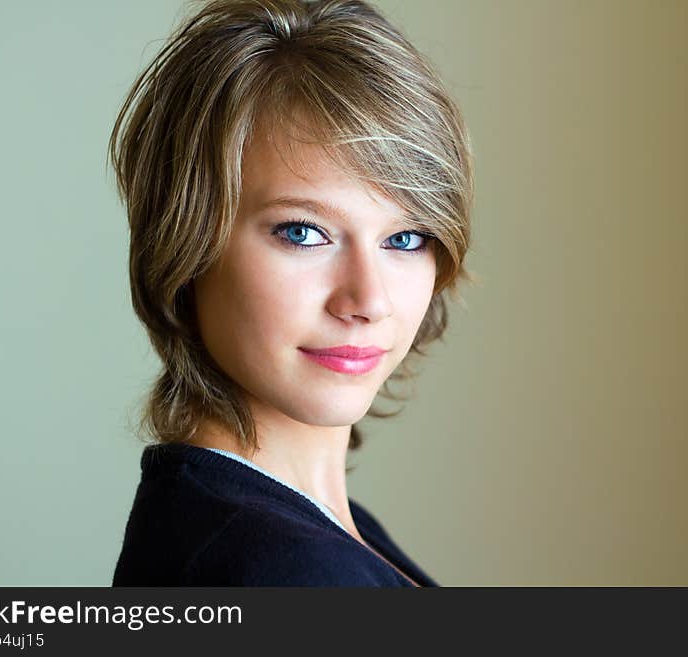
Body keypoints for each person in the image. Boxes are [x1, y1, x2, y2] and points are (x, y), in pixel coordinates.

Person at [109, 0, 474, 586]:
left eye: (405, 238)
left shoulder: (327, 533)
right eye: (304, 233)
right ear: (186, 242)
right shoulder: (282, 570)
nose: (368, 300)